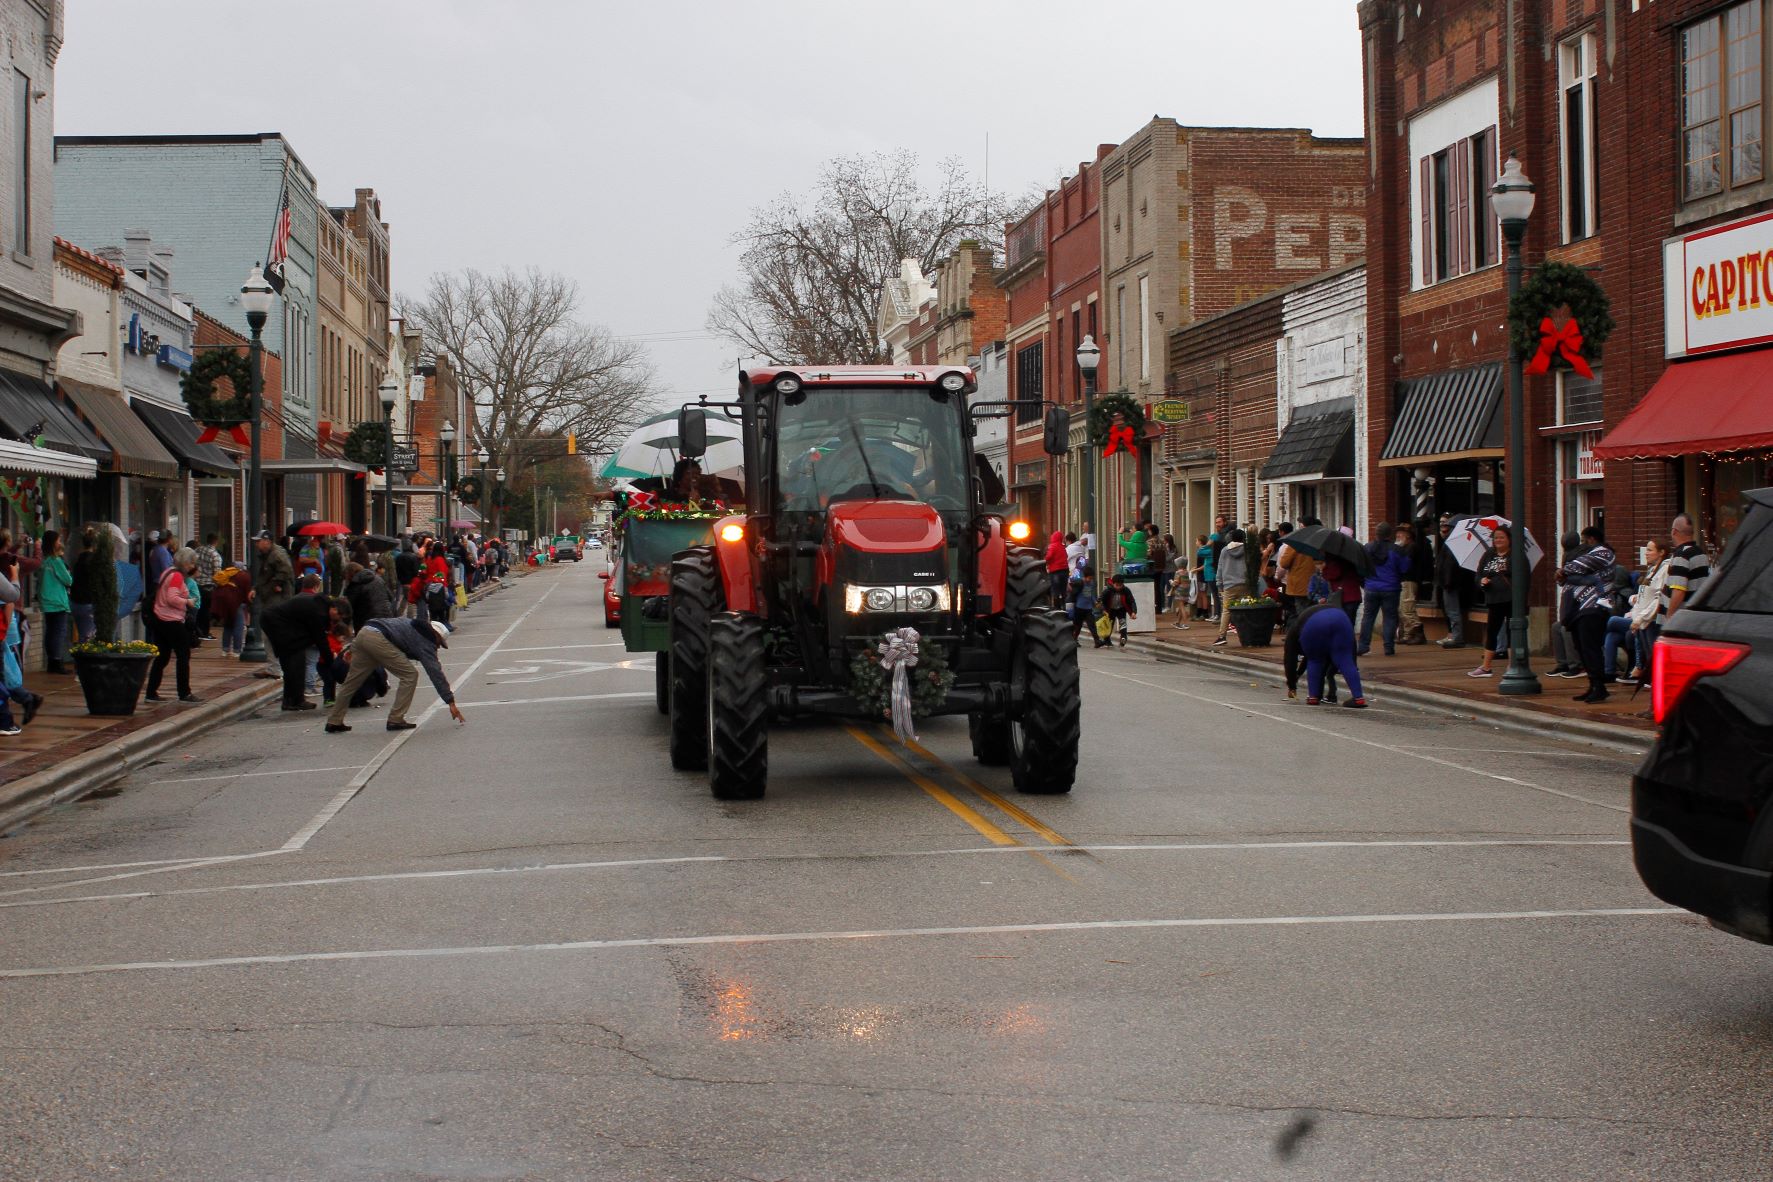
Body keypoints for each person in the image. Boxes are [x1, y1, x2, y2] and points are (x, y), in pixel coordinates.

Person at [325, 615, 466, 733]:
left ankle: (334, 721)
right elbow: (435, 672)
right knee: (410, 675)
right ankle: (396, 719)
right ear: (437, 636)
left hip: (365, 632)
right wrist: (450, 701)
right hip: (379, 639)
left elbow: (380, 627)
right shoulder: (426, 639)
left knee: (351, 682)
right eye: (440, 643)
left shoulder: (409, 622)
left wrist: (352, 648)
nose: (438, 647)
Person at [1560, 524, 1618, 703]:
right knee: (1581, 647)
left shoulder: (1604, 553)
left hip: (1594, 607)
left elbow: (1576, 566)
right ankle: (1593, 684)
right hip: (1578, 608)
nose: (1583, 545)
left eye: (1585, 541)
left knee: (1590, 647)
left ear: (1593, 539)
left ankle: (1600, 687)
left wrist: (1564, 570)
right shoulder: (1589, 553)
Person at [261, 576, 333, 711]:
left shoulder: (309, 602)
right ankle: (294, 700)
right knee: (294, 661)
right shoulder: (315, 609)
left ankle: (292, 700)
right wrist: (330, 660)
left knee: (294, 662)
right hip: (276, 625)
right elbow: (319, 638)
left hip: (276, 624)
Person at [143, 547, 202, 704]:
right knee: (183, 655)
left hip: (159, 619)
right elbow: (172, 598)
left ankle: (151, 692)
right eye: (191, 563)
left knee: (162, 657)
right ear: (185, 562)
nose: (192, 567)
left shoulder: (167, 572)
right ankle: (184, 692)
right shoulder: (176, 576)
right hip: (172, 620)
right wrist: (187, 602)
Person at [1284, 600, 1368, 708]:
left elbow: (1290, 660)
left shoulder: (1293, 633)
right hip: (1341, 617)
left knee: (1315, 660)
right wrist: (1353, 663)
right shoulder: (1300, 625)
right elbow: (1351, 646)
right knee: (1345, 659)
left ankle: (1313, 697)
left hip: (1314, 623)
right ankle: (1358, 698)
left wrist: (1292, 685)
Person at [1623, 537, 1673, 687]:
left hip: (1652, 621)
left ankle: (1659, 685)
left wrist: (1641, 618)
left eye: (1650, 550)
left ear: (1662, 552)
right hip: (1644, 622)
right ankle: (1653, 681)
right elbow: (1644, 596)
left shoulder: (1665, 570)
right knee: (1650, 656)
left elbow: (1658, 599)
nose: (1646, 553)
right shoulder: (1651, 571)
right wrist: (1637, 616)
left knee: (1654, 656)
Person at [1357, 522, 1412, 657]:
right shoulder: (1397, 550)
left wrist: (1365, 583)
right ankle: (1388, 646)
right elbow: (1405, 568)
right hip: (1391, 588)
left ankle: (1363, 645)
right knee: (1390, 617)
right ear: (1390, 535)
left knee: (1368, 617)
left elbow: (1360, 568)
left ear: (1376, 534)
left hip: (1371, 587)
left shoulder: (1367, 548)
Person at [1466, 528, 1515, 679]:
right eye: (1495, 538)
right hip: (1493, 599)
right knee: (1492, 631)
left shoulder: (1515, 555)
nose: (1498, 540)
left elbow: (1521, 576)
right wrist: (1482, 581)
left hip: (1510, 598)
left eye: (1501, 537)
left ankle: (1512, 666)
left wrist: (1503, 573)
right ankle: (1486, 667)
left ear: (1509, 539)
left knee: (1511, 631)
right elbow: (1479, 574)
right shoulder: (1489, 555)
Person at [36, 529, 72, 674]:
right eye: (58, 540)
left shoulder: (44, 562)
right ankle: (57, 662)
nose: (60, 543)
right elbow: (68, 580)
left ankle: (52, 660)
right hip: (58, 601)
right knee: (59, 632)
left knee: (50, 632)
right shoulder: (56, 561)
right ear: (53, 543)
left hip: (46, 601)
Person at [1664, 513, 1712, 617]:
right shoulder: (1701, 553)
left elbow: (1678, 590)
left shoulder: (1681, 554)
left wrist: (1669, 616)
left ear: (1674, 531)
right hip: (1695, 614)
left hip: (1679, 618)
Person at [1433, 515, 1471, 649]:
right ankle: (1456, 636)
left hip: (1450, 584)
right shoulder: (1451, 544)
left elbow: (1450, 565)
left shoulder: (1452, 545)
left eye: (1446, 529)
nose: (1443, 532)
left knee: (1453, 611)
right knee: (1452, 611)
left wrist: (1447, 582)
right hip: (1449, 582)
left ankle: (1457, 637)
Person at [1211, 528, 1250, 646]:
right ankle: (1246, 635)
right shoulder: (1247, 550)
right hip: (1244, 583)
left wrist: (1219, 583)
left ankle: (1222, 636)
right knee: (1245, 610)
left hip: (1229, 584)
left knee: (1226, 611)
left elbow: (1220, 567)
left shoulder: (1224, 551)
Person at [1397, 522, 1433, 644]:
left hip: (1409, 581)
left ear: (1408, 535)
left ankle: (1418, 632)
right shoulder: (1405, 548)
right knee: (1402, 609)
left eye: (1401, 533)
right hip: (1403, 580)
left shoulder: (1412, 547)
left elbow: (1404, 565)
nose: (1398, 535)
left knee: (1408, 608)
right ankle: (1408, 634)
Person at [210, 560, 251, 657]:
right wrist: (248, 605)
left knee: (228, 626)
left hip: (223, 602)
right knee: (238, 626)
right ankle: (237, 650)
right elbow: (247, 593)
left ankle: (225, 650)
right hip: (236, 603)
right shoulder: (244, 576)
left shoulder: (226, 573)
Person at [1277, 528, 1317, 624]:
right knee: (1312, 611)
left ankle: (1302, 633)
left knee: (1300, 611)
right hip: (1314, 583)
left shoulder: (1294, 546)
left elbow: (1284, 563)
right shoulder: (1316, 545)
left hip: (1298, 583)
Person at [68, 528, 100, 644]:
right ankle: (85, 660)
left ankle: (82, 658)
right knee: (88, 637)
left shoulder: (78, 560)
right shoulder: (93, 561)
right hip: (88, 602)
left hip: (76, 602)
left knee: (83, 634)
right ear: (95, 544)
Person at [194, 533, 223, 638]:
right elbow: (217, 574)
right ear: (216, 541)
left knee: (198, 609)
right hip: (208, 586)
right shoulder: (215, 555)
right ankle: (205, 632)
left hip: (196, 584)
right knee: (206, 610)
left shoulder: (198, 550)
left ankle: (197, 631)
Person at [1101, 574, 1137, 646]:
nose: (1118, 587)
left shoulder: (1126, 590)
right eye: (1117, 585)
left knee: (1123, 623)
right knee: (1109, 625)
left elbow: (1132, 601)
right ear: (1113, 584)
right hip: (1110, 610)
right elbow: (1101, 601)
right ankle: (1107, 640)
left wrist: (1133, 612)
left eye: (1120, 585)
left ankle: (1123, 638)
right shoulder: (1108, 590)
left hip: (1121, 609)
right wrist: (1103, 610)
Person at [1066, 567, 1099, 644]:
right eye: (1088, 578)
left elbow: (1091, 594)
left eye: (1091, 578)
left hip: (1088, 608)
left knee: (1092, 624)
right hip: (1079, 607)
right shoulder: (1080, 582)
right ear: (1085, 576)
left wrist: (1095, 602)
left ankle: (1097, 641)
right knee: (1078, 625)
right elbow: (1072, 590)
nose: (1089, 580)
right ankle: (1074, 639)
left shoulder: (1091, 583)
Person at [1146, 526, 1169, 614]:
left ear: (1151, 531)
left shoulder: (1149, 541)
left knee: (1152, 587)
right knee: (1159, 587)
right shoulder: (1162, 541)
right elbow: (1166, 552)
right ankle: (1159, 607)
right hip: (1161, 567)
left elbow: (1148, 553)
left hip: (1152, 566)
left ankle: (1153, 607)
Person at [1044, 531, 1070, 607]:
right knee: (1063, 590)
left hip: (1055, 571)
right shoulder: (1063, 547)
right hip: (1065, 571)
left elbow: (1049, 556)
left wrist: (1045, 561)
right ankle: (1064, 606)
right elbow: (1066, 556)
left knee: (1055, 591)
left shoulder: (1052, 546)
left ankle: (1057, 608)